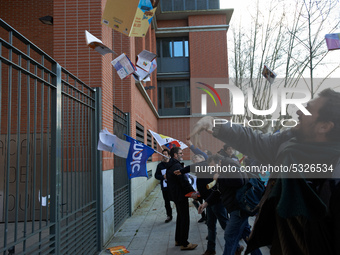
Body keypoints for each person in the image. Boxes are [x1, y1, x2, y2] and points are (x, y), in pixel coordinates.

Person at [190, 88, 340, 254]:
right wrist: (214, 123)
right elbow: (255, 140)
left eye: (308, 109)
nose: (298, 111)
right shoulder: (289, 141)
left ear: (324, 126)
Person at [166, 147, 198, 250]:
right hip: (181, 196)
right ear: (175, 155)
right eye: (180, 153)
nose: (182, 155)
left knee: (180, 217)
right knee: (185, 219)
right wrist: (193, 193)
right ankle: (184, 243)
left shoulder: (170, 165)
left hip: (176, 196)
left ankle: (178, 240)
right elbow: (184, 181)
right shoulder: (176, 166)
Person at [155, 148, 173, 223]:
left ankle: (180, 215)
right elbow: (156, 175)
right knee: (167, 202)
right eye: (163, 154)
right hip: (165, 187)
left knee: (176, 201)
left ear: (169, 155)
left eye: (165, 154)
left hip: (173, 186)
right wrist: (163, 177)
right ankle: (169, 215)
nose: (164, 155)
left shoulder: (172, 164)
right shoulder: (160, 165)